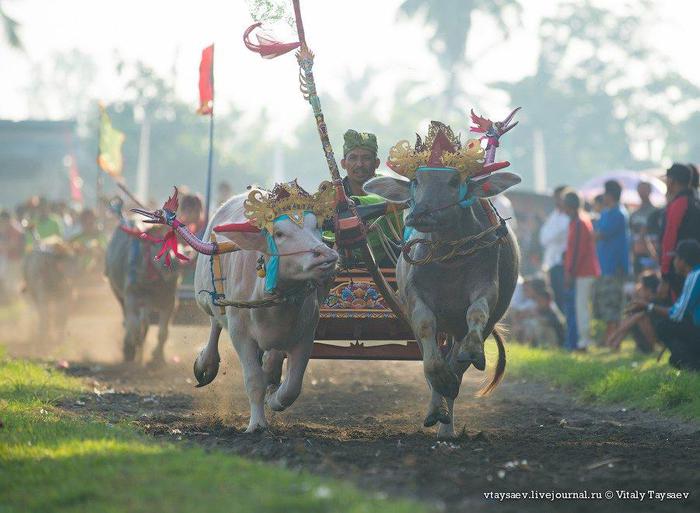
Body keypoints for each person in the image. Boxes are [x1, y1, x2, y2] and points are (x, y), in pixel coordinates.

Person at [630, 240, 700, 370]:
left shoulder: (695, 276)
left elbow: (677, 314)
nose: (674, 262)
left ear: (683, 261)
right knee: (675, 360)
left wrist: (648, 307)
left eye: (676, 258)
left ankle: (695, 366)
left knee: (664, 327)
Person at [562, 190, 600, 351]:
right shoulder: (578, 221)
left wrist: (570, 273)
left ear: (569, 206)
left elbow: (578, 251)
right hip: (582, 271)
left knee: (582, 307)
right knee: (582, 306)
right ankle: (583, 340)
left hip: (582, 271)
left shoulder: (579, 222)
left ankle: (584, 341)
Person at [594, 180, 630, 344]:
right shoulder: (607, 212)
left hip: (614, 266)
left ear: (610, 195)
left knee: (613, 304)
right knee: (607, 303)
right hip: (604, 266)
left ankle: (613, 340)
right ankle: (611, 338)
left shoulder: (618, 214)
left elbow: (600, 234)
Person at [660, 163, 700, 299]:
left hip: (680, 270)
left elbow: (669, 239)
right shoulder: (695, 201)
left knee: (679, 312)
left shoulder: (679, 204)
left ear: (671, 181)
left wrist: (665, 275)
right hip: (695, 269)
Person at [605, 271, 660, 353]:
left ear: (647, 289)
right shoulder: (644, 301)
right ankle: (615, 344)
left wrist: (615, 335)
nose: (638, 288)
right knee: (632, 315)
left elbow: (634, 318)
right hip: (646, 336)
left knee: (638, 318)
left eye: (641, 286)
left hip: (654, 337)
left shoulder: (654, 302)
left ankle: (650, 347)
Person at [539, 186, 570, 312]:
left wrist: (552, 234)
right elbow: (543, 238)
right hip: (551, 264)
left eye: (560, 198)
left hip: (563, 264)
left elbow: (554, 234)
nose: (557, 201)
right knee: (555, 299)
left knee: (563, 300)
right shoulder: (555, 214)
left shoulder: (569, 217)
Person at [520, 277, 566, 348]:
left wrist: (535, 315)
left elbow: (551, 321)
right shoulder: (534, 301)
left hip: (555, 334)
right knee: (529, 323)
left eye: (530, 287)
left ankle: (544, 346)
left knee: (535, 324)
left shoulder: (546, 300)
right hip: (549, 331)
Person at [629, 181, 659, 275]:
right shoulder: (634, 214)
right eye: (640, 190)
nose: (642, 193)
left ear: (650, 191)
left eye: (644, 190)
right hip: (638, 253)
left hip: (653, 254)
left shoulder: (657, 212)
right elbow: (632, 234)